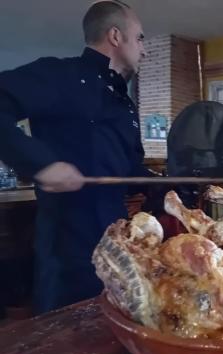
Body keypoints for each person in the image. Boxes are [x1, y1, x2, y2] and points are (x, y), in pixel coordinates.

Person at [0, 0, 150, 313]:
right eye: (139, 38)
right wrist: (41, 165)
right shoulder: (60, 75)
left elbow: (133, 172)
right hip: (67, 254)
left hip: (116, 249)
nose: (144, 50)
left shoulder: (126, 105)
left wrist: (176, 188)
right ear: (115, 36)